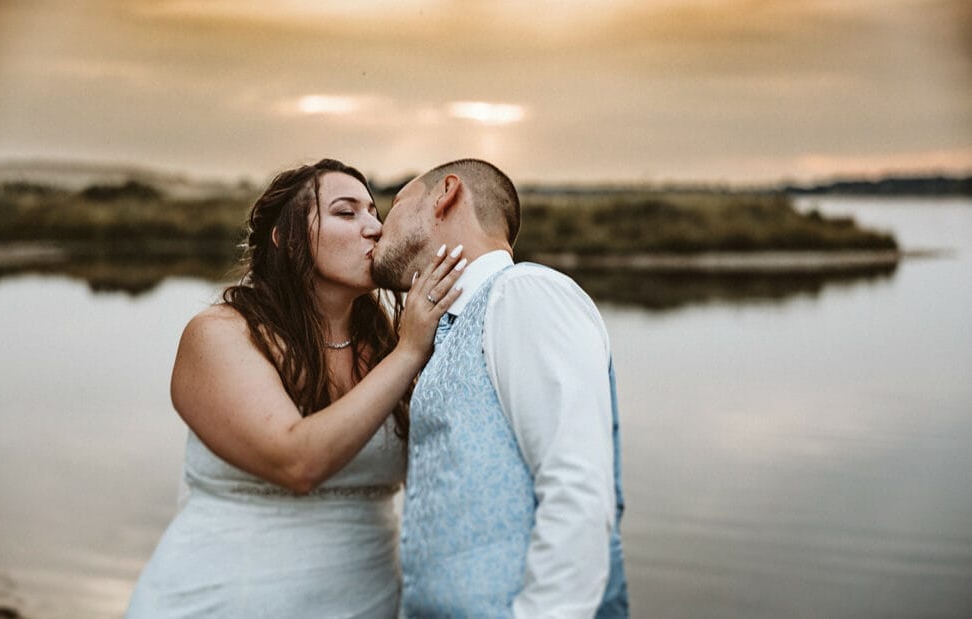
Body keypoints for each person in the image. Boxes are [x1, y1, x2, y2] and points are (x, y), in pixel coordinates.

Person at [126, 159, 465, 617]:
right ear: (285, 238)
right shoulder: (221, 334)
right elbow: (297, 463)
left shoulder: (388, 344)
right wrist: (409, 353)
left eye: (374, 213)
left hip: (368, 604)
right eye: (346, 213)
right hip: (223, 602)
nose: (374, 228)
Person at [372, 158, 628, 618]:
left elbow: (577, 488)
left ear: (445, 194)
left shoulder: (524, 292)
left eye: (396, 204)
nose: (378, 228)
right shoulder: (443, 330)